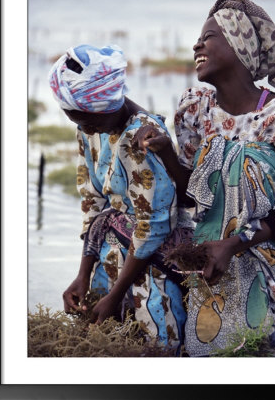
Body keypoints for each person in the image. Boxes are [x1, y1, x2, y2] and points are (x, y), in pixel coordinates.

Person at [133, 0, 275, 357]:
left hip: (270, 257)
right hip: (212, 265)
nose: (197, 44)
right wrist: (165, 152)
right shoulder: (195, 110)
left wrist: (235, 244)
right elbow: (194, 195)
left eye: (208, 37)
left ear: (239, 46)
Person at [48, 44, 192, 353]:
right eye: (76, 122)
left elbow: (154, 224)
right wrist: (83, 275)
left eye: (87, 122)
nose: (84, 129)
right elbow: (92, 200)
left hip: (152, 261)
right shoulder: (88, 128)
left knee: (155, 342)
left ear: (106, 107)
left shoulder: (142, 140)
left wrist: (115, 294)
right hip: (111, 251)